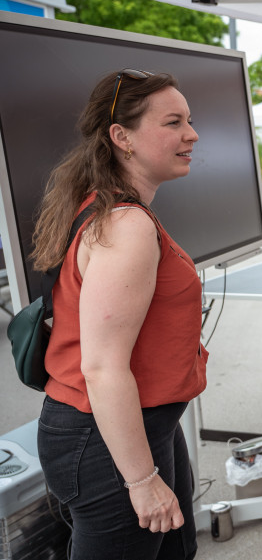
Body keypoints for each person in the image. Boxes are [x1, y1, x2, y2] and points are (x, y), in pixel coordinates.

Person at [32, 69, 206, 559]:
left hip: (142, 426)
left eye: (189, 120)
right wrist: (142, 479)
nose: (191, 134)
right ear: (121, 136)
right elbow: (102, 366)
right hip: (105, 439)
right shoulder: (126, 226)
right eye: (173, 122)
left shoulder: (114, 211)